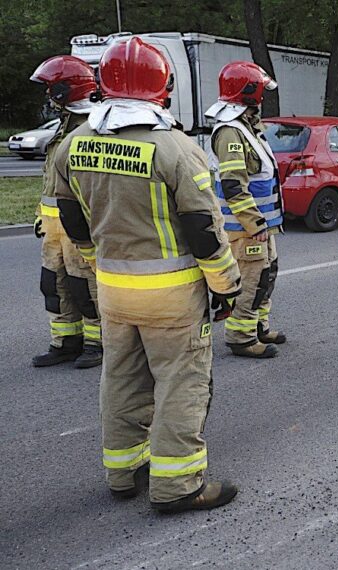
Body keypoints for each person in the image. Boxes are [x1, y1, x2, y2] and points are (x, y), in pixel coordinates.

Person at [53, 37, 242, 513]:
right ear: (164, 88)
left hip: (114, 291)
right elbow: (204, 228)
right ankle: (178, 486)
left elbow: (71, 218)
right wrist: (226, 286)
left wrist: (97, 264)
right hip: (173, 297)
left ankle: (123, 472)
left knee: (121, 379)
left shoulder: (73, 145)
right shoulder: (175, 149)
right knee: (181, 384)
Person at [205, 61, 285, 358]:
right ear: (249, 93)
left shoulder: (247, 126)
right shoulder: (230, 133)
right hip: (245, 228)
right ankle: (241, 337)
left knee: (267, 275)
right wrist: (254, 224)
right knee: (252, 280)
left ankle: (258, 326)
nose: (263, 98)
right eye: (260, 91)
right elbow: (233, 185)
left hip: (261, 224)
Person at [29, 55, 103, 369]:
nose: (48, 97)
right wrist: (39, 216)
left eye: (51, 89)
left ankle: (97, 343)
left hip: (79, 224)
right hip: (54, 227)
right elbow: (51, 180)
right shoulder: (64, 128)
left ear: (66, 90)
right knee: (53, 285)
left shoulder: (92, 128)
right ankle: (65, 342)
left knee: (84, 287)